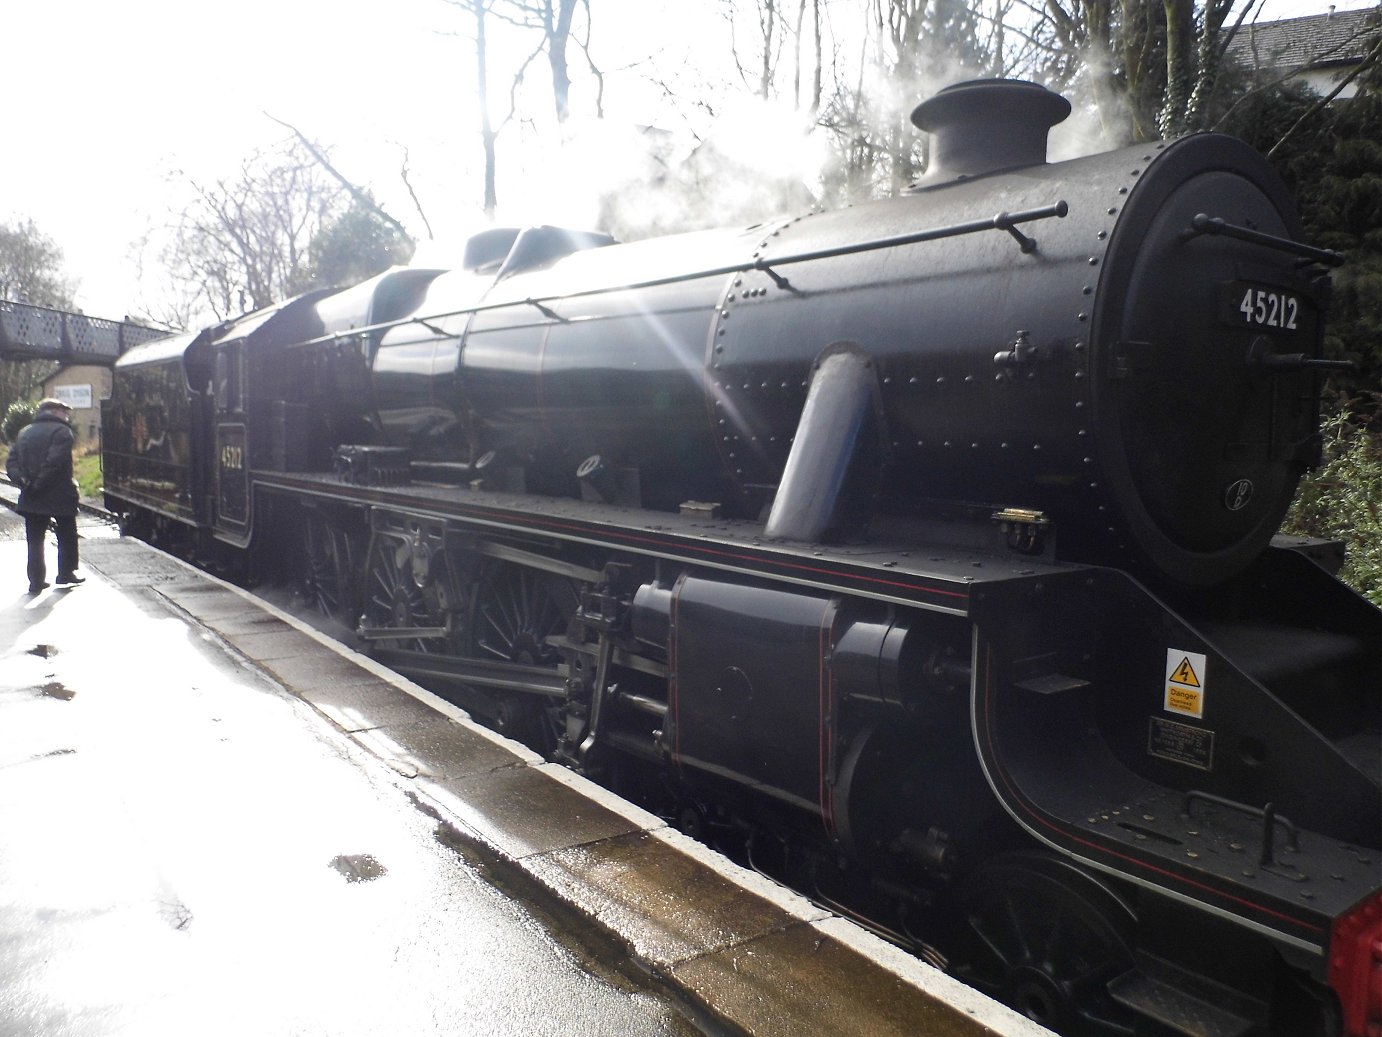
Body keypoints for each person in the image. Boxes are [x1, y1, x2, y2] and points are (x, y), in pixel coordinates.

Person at [6, 398, 85, 594]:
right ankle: (66, 573)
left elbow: (11, 462)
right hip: (59, 494)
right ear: (54, 411)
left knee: (34, 541)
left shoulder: (24, 433)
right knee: (67, 534)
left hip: (31, 495)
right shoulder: (62, 432)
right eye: (63, 411)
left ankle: (36, 581)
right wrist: (39, 483)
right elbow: (55, 462)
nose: (66, 415)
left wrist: (24, 481)